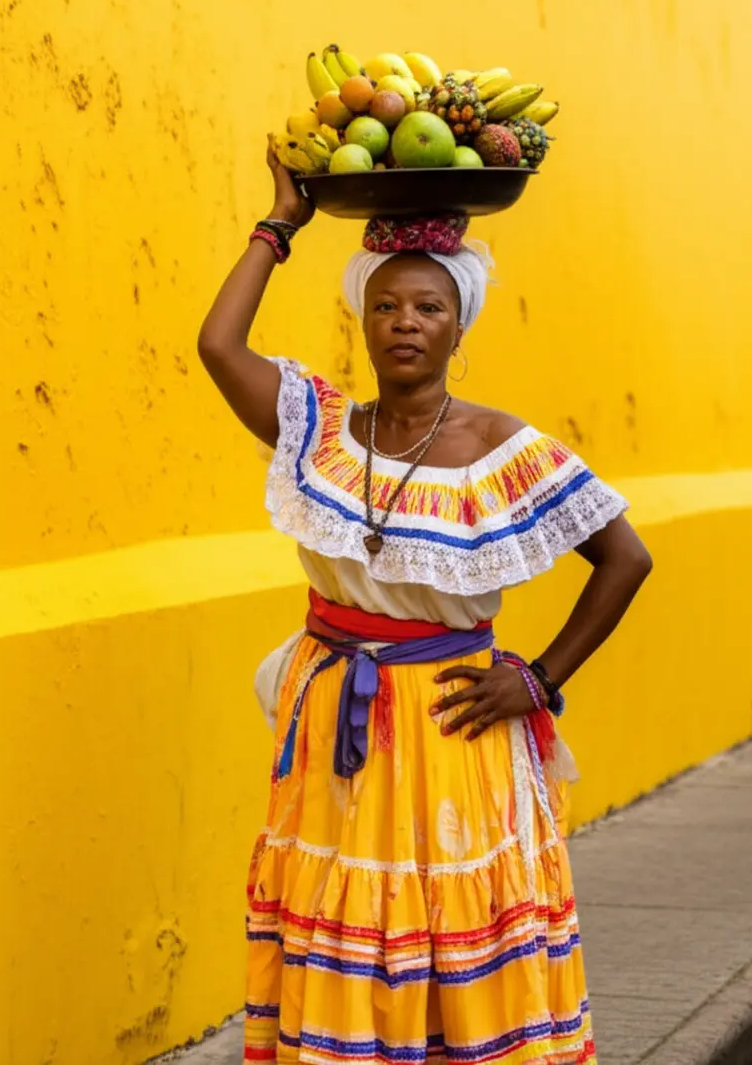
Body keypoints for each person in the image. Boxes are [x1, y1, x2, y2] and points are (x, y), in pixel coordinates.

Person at [198, 140, 652, 1065]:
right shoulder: (317, 429)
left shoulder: (505, 447)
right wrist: (278, 227)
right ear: (362, 321)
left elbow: (625, 558)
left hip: (454, 727)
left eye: (429, 307)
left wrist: (539, 678)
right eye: (386, 305)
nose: (406, 322)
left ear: (459, 326)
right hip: (334, 727)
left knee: (452, 922)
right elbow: (218, 345)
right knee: (345, 914)